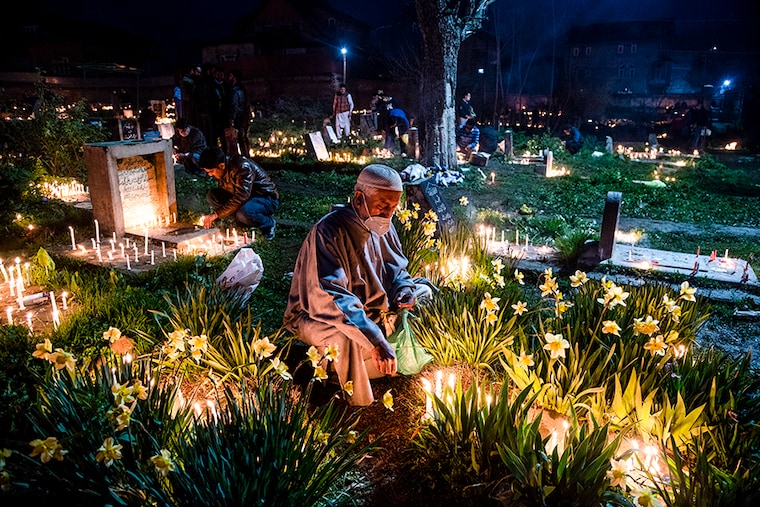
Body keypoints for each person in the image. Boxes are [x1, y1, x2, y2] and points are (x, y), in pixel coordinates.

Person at [283, 165, 422, 407]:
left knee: (425, 290)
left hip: (371, 312)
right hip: (320, 316)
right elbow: (330, 297)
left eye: (394, 207)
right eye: (383, 206)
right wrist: (375, 338)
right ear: (359, 199)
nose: (389, 214)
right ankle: (358, 400)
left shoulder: (384, 226)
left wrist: (404, 291)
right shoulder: (329, 232)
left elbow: (398, 269)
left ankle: (373, 356)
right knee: (342, 337)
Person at [199, 147, 279, 239]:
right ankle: (240, 222)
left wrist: (216, 214)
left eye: (211, 171)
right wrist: (217, 214)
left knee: (244, 213)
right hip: (246, 199)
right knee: (213, 196)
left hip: (264, 198)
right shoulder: (223, 170)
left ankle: (268, 223)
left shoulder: (242, 167)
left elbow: (242, 196)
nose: (210, 175)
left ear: (221, 166)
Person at [226, 69, 251, 156]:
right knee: (244, 138)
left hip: (239, 118)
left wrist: (232, 118)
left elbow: (234, 105)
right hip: (244, 117)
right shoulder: (243, 89)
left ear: (234, 78)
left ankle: (245, 158)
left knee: (240, 139)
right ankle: (247, 156)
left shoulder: (235, 91)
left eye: (230, 76)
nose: (228, 78)